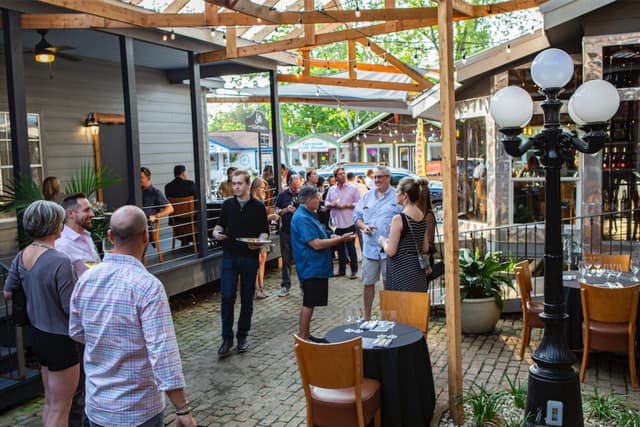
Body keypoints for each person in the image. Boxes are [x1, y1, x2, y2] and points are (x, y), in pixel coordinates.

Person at [69, 205, 197, 427]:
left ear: (110, 237)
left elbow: (76, 331)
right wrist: (182, 409)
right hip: (138, 411)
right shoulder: (148, 287)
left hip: (98, 406)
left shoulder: (86, 280)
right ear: (146, 237)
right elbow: (162, 353)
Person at [4, 200, 79, 427]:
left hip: (38, 335)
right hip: (60, 339)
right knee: (61, 407)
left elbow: (8, 293)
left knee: (50, 402)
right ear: (54, 225)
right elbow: (71, 309)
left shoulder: (22, 255)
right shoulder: (61, 261)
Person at [213, 170, 269, 357]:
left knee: (247, 298)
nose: (236, 187)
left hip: (249, 256)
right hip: (229, 254)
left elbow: (264, 231)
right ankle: (226, 338)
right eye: (234, 183)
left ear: (247, 185)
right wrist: (216, 232)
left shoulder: (258, 206)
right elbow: (220, 225)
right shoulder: (228, 204)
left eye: (239, 183)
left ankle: (243, 335)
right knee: (227, 297)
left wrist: (259, 243)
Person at [291, 185, 356, 341]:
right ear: (309, 200)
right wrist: (340, 239)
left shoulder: (308, 214)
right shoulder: (302, 218)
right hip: (310, 266)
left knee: (311, 301)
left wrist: (332, 237)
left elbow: (320, 235)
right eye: (317, 197)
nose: (319, 200)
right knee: (309, 301)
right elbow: (316, 244)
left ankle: (305, 334)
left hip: (314, 265)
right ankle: (303, 336)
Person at [353, 165, 403, 320]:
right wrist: (364, 226)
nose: (377, 180)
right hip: (370, 249)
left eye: (380, 177)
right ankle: (367, 317)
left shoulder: (397, 196)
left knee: (389, 285)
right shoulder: (367, 196)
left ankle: (388, 317)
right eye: (375, 177)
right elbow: (356, 217)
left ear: (388, 178)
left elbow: (405, 219)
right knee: (368, 284)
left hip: (390, 250)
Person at [378, 177, 435, 292]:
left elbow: (391, 251)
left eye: (398, 191)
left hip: (400, 270)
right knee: (415, 306)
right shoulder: (421, 215)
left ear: (405, 195)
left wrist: (383, 242)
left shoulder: (399, 219)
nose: (396, 194)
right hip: (417, 270)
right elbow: (424, 247)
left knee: (401, 306)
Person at [325, 168, 360, 279]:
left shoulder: (352, 188)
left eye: (344, 173)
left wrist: (347, 205)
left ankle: (354, 271)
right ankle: (341, 270)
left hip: (349, 221)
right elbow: (326, 201)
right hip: (337, 222)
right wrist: (331, 204)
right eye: (340, 174)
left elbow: (359, 203)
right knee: (339, 248)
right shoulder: (332, 190)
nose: (343, 175)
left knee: (351, 248)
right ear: (335, 177)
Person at [56, 193, 101, 278]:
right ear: (70, 213)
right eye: (86, 210)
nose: (92, 214)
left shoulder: (87, 236)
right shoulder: (62, 245)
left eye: (91, 209)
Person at [251, 177, 280, 299]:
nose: (264, 190)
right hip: (255, 233)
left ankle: (261, 286)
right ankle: (257, 288)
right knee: (257, 261)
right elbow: (255, 219)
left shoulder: (261, 201)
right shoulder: (252, 202)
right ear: (255, 188)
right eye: (262, 188)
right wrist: (269, 217)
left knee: (262, 260)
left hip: (264, 232)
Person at [274, 173, 302, 297]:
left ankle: (303, 286)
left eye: (298, 186)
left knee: (300, 259)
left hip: (300, 232)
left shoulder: (302, 195)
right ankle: (285, 285)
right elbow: (276, 212)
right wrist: (286, 210)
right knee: (285, 260)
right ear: (289, 184)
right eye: (294, 187)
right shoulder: (282, 196)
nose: (296, 189)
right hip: (286, 231)